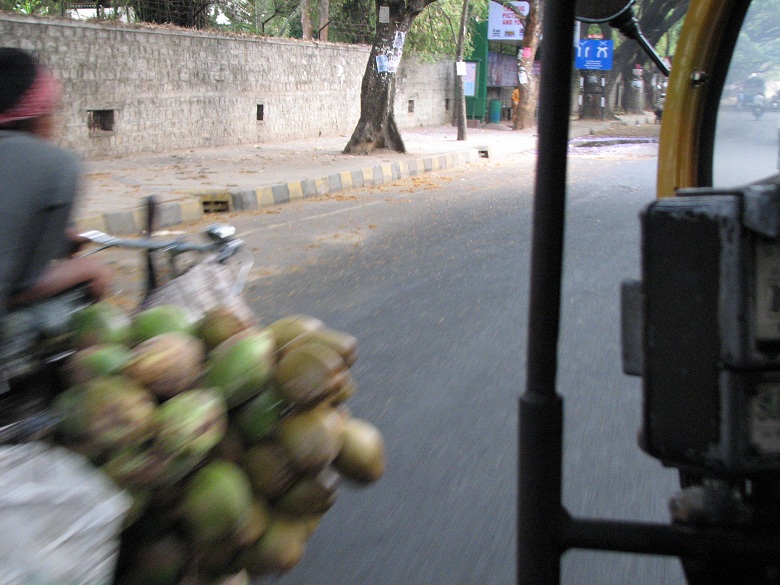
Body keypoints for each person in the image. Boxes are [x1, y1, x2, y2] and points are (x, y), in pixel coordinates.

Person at [0, 47, 110, 315]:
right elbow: (21, 284)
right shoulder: (55, 164)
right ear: (38, 114)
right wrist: (89, 269)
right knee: (93, 280)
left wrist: (57, 238)